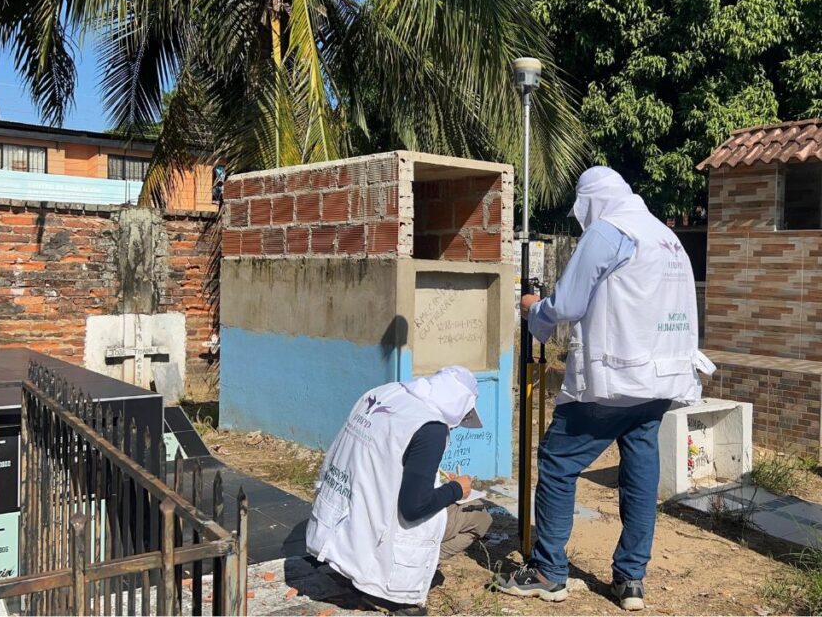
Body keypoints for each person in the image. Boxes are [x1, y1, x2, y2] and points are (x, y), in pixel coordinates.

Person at [495, 166, 715, 610]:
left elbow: (570, 304)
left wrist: (534, 310)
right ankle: (631, 579)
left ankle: (547, 572)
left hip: (614, 380)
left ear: (591, 201)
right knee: (639, 471)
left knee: (558, 463)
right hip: (661, 380)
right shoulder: (663, 236)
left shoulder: (608, 231)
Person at [306, 366, 493, 616]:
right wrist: (456, 489)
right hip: (382, 521)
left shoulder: (386, 393)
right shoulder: (431, 428)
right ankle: (394, 591)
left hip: (346, 510)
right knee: (480, 518)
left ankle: (365, 570)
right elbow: (413, 508)